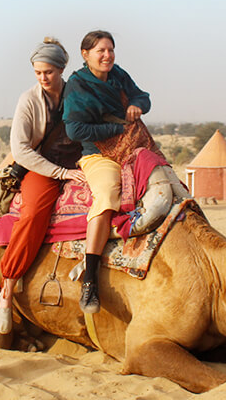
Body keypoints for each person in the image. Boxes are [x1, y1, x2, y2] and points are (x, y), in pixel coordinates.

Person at [0, 37, 85, 334]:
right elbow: (21, 149)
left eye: (48, 72)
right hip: (42, 165)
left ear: (61, 69)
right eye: (38, 73)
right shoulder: (29, 100)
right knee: (33, 214)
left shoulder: (78, 93)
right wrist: (59, 173)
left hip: (82, 161)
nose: (43, 78)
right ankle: (7, 289)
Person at [62, 30, 151, 314]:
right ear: (85, 54)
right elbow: (75, 129)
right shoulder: (77, 86)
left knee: (165, 182)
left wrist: (137, 104)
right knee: (107, 197)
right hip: (98, 154)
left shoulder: (117, 75)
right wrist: (116, 129)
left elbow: (142, 96)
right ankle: (90, 278)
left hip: (130, 148)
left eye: (110, 50)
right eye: (100, 51)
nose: (107, 55)